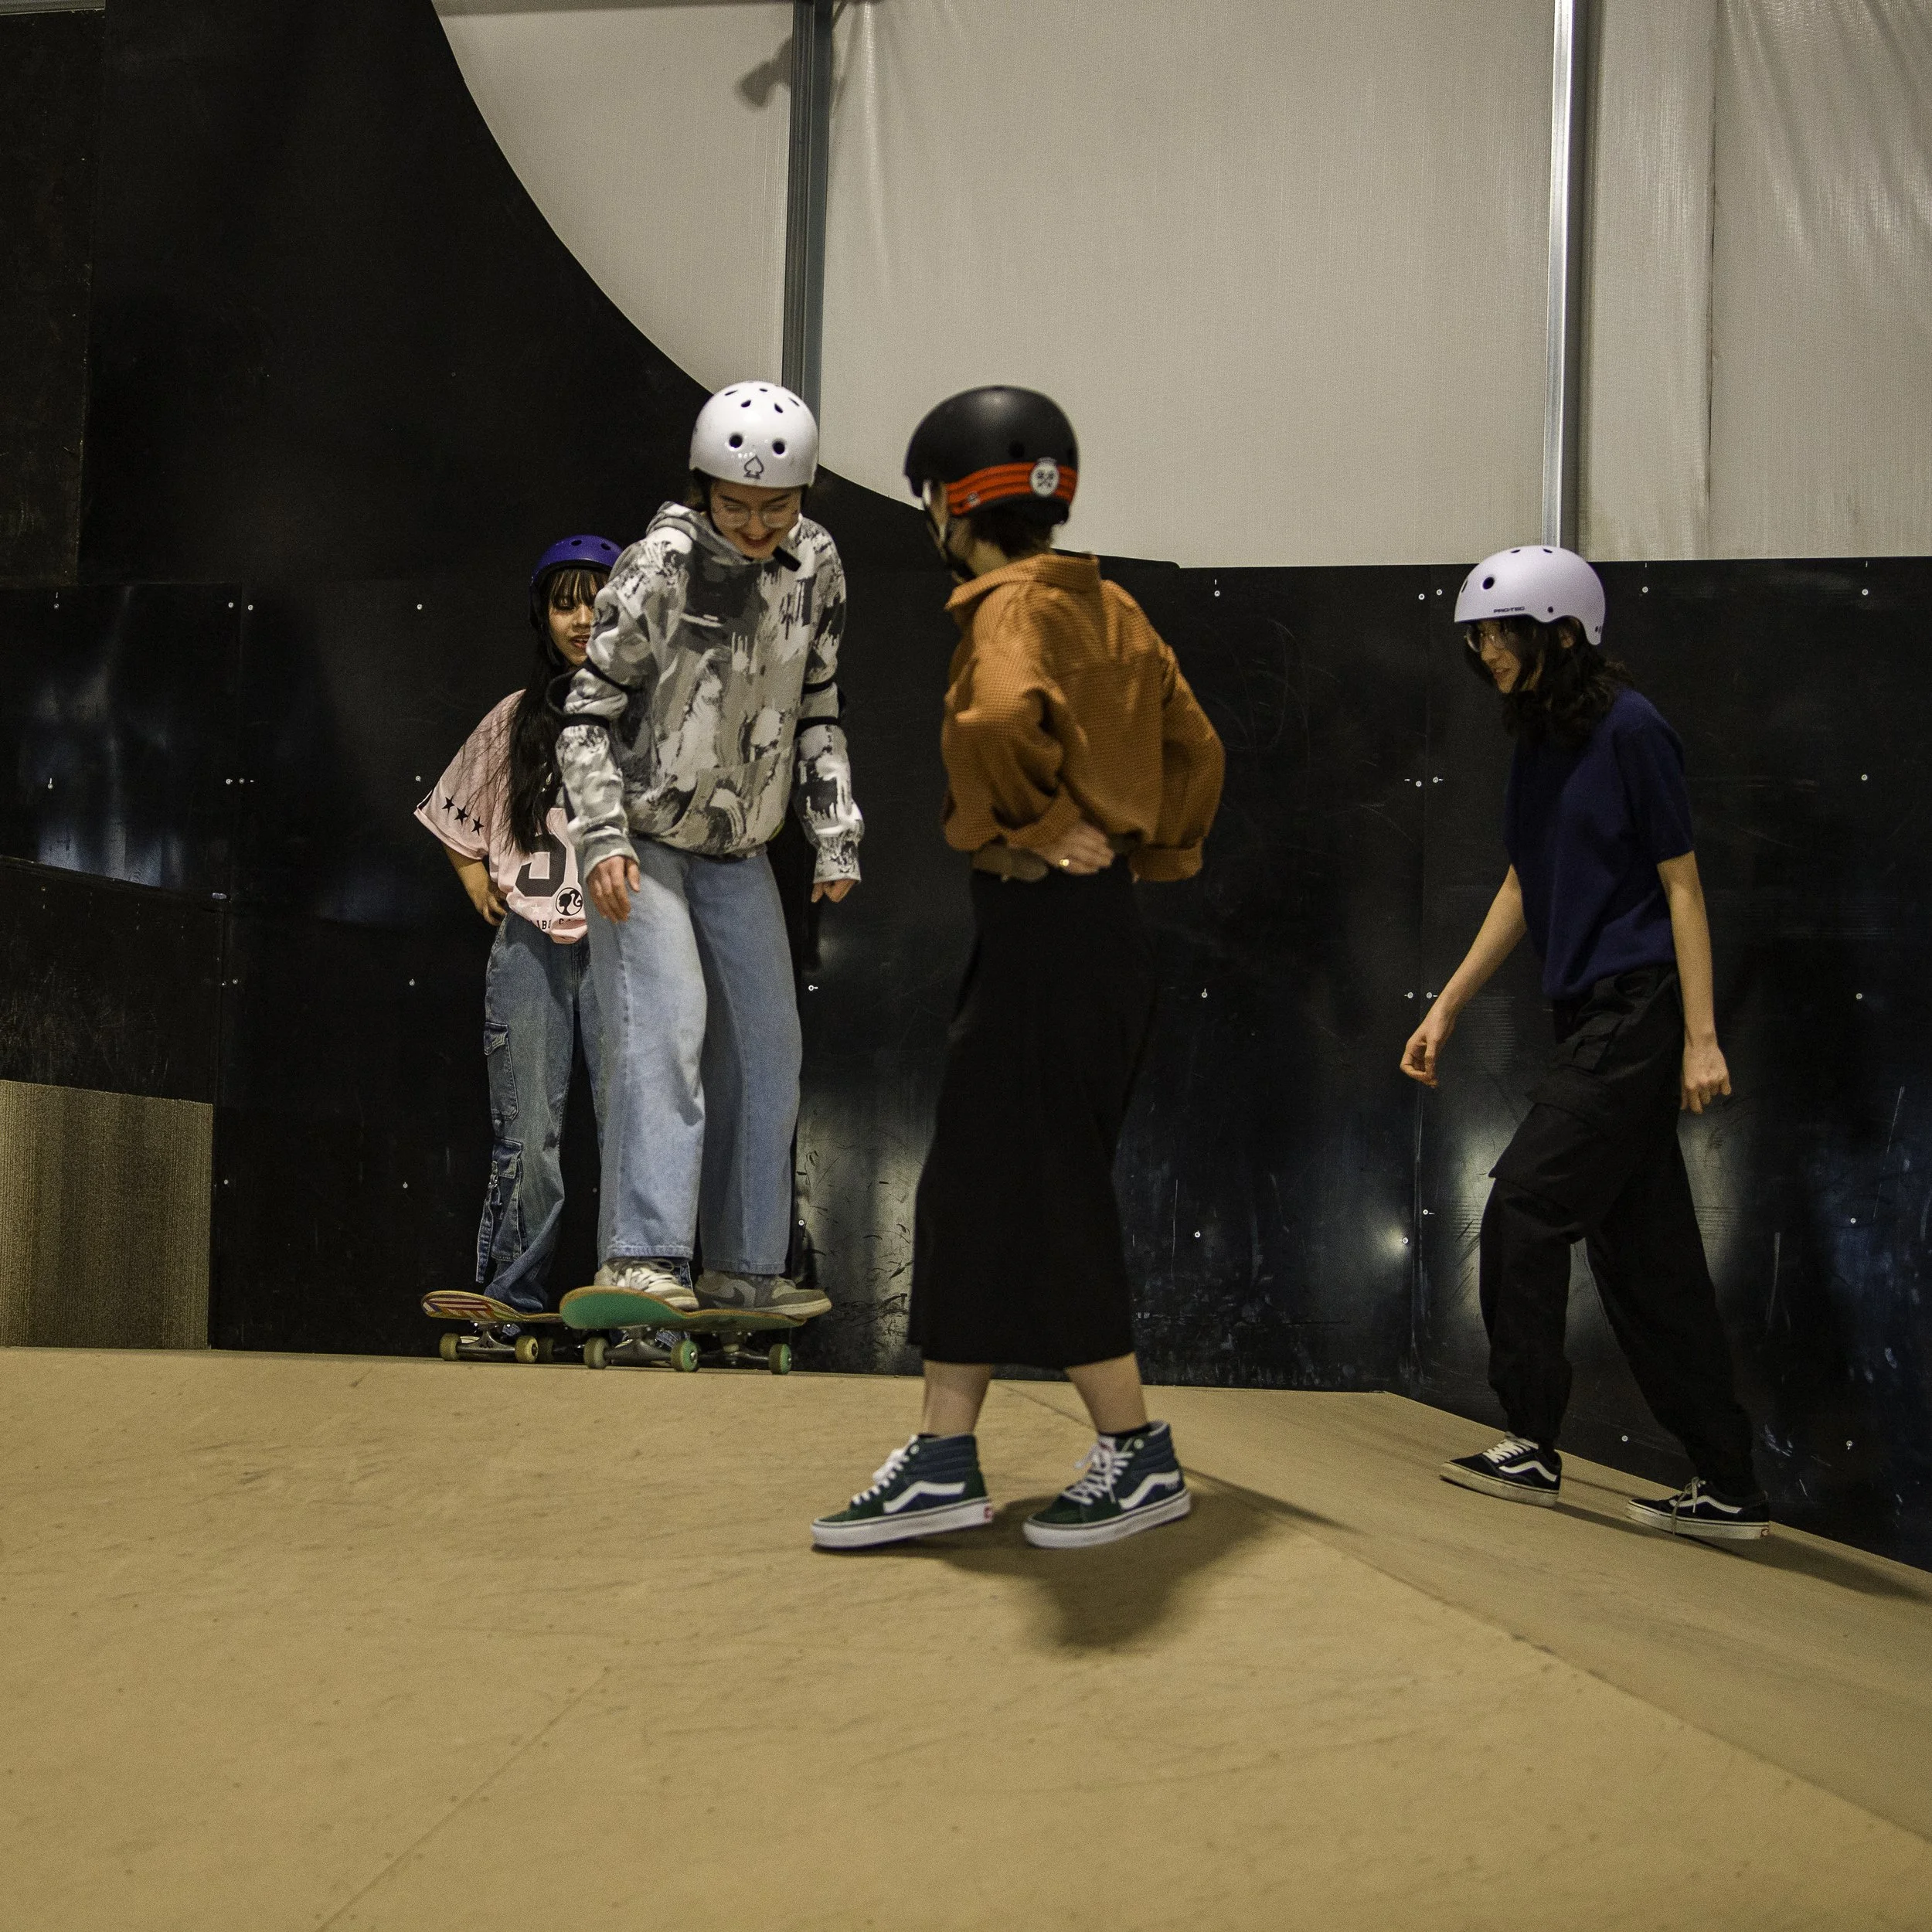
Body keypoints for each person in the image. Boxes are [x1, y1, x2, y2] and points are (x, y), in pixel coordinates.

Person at [812, 386, 1226, 1553]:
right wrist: (1152, 847)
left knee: (1043, 1190)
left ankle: (1136, 1452)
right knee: (978, 1191)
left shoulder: (1007, 611)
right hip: (1094, 941)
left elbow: (993, 721)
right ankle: (945, 1454)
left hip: (1043, 934)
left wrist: (1031, 826)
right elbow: (1199, 749)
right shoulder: (1115, 609)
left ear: (952, 503)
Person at [1401, 545, 1768, 1543]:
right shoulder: (1539, 740)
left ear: (1561, 629)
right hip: (1589, 1016)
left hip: (1638, 1012)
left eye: (1500, 633)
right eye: (1475, 637)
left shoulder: (1634, 730)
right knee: (1648, 1266)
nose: (1485, 653)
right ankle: (1730, 1484)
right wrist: (1446, 1006)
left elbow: (1682, 884)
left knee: (1525, 1205)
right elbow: (1524, 886)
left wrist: (1699, 1038)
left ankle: (1529, 1443)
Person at [553, 383, 859, 1327]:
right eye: (736, 504)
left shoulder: (817, 565)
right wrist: (601, 835)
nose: (758, 522)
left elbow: (818, 708)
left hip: (740, 849)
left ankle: (743, 1266)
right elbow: (585, 716)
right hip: (643, 841)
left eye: (777, 503)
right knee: (666, 1027)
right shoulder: (659, 567)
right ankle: (643, 1256)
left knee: (770, 1048)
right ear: (702, 487)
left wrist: (834, 830)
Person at [417, 536, 619, 1313]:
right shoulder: (514, 718)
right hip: (530, 943)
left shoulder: (646, 715)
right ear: (542, 614)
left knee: (633, 1123)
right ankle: (514, 1290)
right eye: (565, 602)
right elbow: (451, 812)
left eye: (596, 599)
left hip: (619, 941)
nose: (582, 617)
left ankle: (639, 1289)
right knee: (528, 1132)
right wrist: (473, 873)